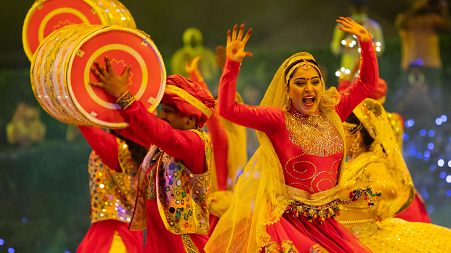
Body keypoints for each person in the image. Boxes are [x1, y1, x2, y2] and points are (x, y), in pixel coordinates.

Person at [206, 16, 378, 253]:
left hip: (326, 223)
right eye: (300, 83)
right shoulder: (278, 120)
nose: (309, 88)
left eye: (315, 82)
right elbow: (228, 109)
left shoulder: (333, 112)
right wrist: (232, 65)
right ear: (287, 90)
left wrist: (366, 43)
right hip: (289, 224)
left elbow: (367, 83)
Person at [90, 58, 216, 253]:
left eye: (169, 111)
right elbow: (131, 127)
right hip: (157, 244)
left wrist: (124, 95)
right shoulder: (159, 146)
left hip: (184, 245)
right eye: (162, 110)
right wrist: (96, 100)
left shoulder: (196, 143)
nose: (162, 116)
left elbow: (160, 132)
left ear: (191, 118)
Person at [337, 98, 451, 252]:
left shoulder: (372, 162)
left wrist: (356, 193)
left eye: (342, 132)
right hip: (342, 234)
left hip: (363, 237)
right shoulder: (348, 163)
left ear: (356, 136)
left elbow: (389, 190)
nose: (339, 138)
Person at [186, 56, 248, 235]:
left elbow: (210, 113)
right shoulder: (237, 137)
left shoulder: (221, 138)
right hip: (228, 208)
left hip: (216, 211)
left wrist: (195, 76)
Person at [76, 126, 145, 253]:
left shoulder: (115, 149)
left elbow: (84, 122)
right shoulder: (139, 152)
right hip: (127, 236)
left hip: (113, 239)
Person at [395, 0, 451, 90]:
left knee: (408, 97)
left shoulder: (432, 19)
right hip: (424, 66)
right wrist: (443, 9)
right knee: (432, 98)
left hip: (424, 65)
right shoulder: (407, 19)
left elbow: (447, 26)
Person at [331, 0, 384, 81]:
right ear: (351, 8)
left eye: (360, 6)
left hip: (368, 73)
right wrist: (345, 37)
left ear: (365, 8)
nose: (358, 9)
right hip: (347, 73)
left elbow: (380, 50)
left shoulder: (374, 27)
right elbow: (335, 49)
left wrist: (367, 43)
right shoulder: (343, 25)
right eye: (356, 6)